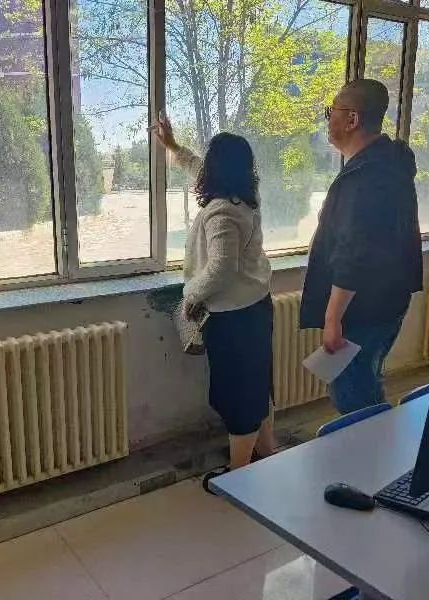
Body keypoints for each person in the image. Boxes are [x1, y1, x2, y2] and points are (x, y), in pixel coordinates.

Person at [152, 115, 275, 488]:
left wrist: (191, 294)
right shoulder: (245, 199)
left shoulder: (222, 211)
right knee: (257, 387)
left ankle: (239, 478)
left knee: (237, 396)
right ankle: (268, 456)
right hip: (255, 308)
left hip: (234, 318)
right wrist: (173, 147)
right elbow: (198, 169)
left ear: (216, 170)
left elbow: (221, 270)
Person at [300, 79, 423, 414]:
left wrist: (333, 318)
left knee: (353, 395)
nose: (328, 118)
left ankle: (374, 445)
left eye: (331, 111)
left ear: (352, 119)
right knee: (366, 380)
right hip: (387, 301)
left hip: (364, 309)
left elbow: (354, 253)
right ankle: (382, 440)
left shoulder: (366, 177)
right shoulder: (390, 164)